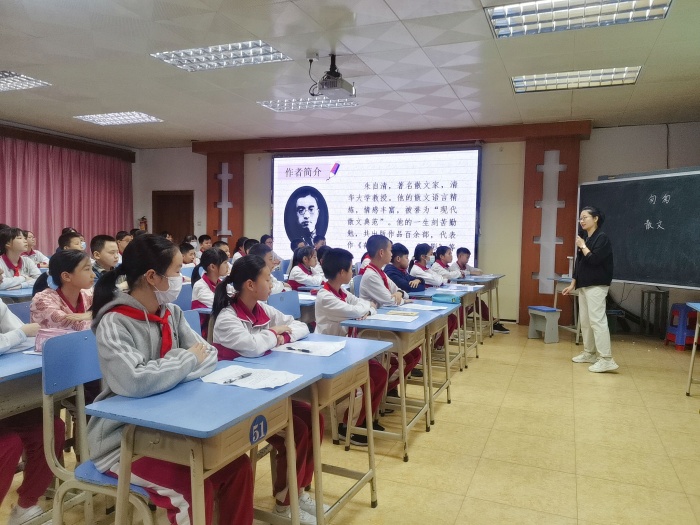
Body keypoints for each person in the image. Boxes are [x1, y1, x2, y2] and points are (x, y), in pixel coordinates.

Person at [87, 234, 253, 524]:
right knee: (190, 489)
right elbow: (134, 381)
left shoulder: (172, 313)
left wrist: (167, 372)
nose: (182, 279)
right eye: (176, 271)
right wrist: (185, 359)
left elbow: (210, 355)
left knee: (237, 466)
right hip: (123, 441)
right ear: (152, 277)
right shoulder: (114, 322)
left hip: (171, 427)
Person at [211, 255, 326, 524]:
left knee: (314, 419)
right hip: (236, 401)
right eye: (267, 278)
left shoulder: (262, 309)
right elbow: (252, 348)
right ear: (250, 284)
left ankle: (297, 490)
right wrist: (276, 334)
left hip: (264, 390)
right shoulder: (227, 318)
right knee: (297, 431)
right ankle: (285, 503)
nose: (272, 283)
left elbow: (301, 326)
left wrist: (278, 334)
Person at [1, 303, 64, 525]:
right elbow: (21, 333)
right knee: (7, 445)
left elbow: (25, 334)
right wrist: (17, 335)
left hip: (5, 392)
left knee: (51, 429)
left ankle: (26, 506)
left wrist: (17, 335)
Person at [315, 248, 385, 446]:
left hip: (344, 348)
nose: (353, 272)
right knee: (362, 382)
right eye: (350, 269)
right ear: (341, 272)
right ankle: (349, 427)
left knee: (379, 373)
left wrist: (366, 309)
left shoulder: (341, 291)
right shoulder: (325, 297)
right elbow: (356, 310)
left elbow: (361, 304)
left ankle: (365, 420)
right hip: (328, 353)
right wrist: (366, 309)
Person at [359, 235, 421, 389]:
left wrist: (399, 294)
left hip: (387, 322)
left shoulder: (380, 272)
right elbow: (390, 301)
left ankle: (388, 389)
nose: (391, 254)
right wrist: (400, 297)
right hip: (373, 328)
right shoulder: (371, 275)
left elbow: (402, 292)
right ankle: (386, 390)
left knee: (414, 354)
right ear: (381, 252)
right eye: (390, 250)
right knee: (405, 359)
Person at [563, 206, 617, 373]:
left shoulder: (602, 238)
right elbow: (579, 263)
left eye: (585, 217)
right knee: (585, 322)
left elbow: (594, 260)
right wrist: (573, 283)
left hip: (597, 285)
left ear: (595, 219)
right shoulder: (585, 238)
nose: (582, 221)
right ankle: (589, 353)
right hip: (584, 285)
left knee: (597, 321)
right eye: (580, 218)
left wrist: (583, 246)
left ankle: (606, 359)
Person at [30, 249, 94, 331]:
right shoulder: (42, 300)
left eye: (91, 269)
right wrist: (94, 315)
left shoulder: (89, 293)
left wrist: (92, 315)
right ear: (66, 276)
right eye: (87, 269)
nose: (93, 275)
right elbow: (74, 328)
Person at [449, 248, 509, 334]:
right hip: (456, 295)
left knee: (478, 303)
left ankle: (493, 323)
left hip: (466, 293)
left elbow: (479, 271)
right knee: (465, 305)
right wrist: (470, 273)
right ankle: (456, 329)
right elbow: (459, 274)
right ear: (460, 256)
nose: (468, 259)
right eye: (467, 257)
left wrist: (470, 272)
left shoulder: (466, 266)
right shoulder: (454, 267)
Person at [191, 248, 230, 338]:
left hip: (218, 325)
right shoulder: (200, 285)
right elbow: (219, 303)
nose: (228, 266)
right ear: (212, 267)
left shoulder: (220, 283)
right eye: (225, 263)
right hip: (205, 331)